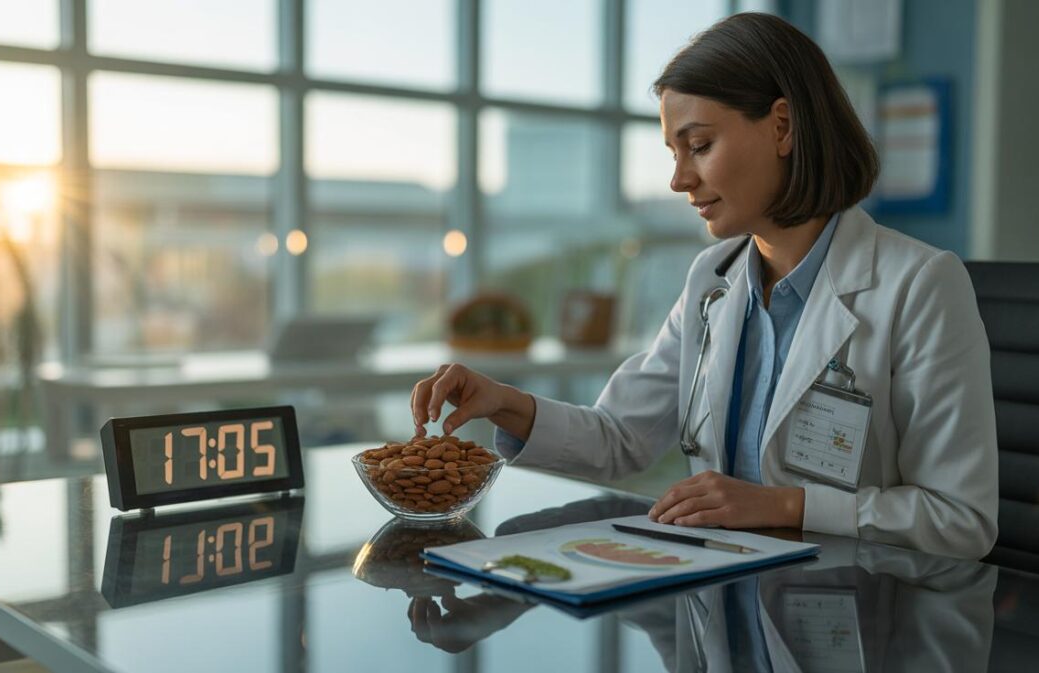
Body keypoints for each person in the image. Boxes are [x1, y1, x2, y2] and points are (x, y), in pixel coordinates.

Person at [410, 13, 997, 560]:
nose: (678, 179)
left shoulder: (918, 285)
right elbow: (623, 438)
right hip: (721, 598)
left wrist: (786, 505)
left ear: (783, 127)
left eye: (699, 145)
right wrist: (506, 402)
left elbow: (960, 519)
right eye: (673, 151)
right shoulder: (711, 280)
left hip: (855, 610)